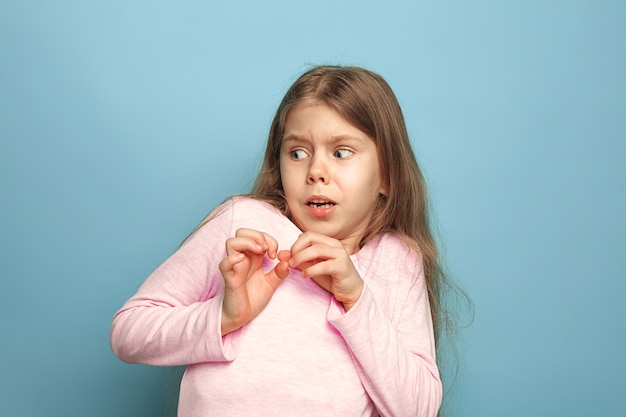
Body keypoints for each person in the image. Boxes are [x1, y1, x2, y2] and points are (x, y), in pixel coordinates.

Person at [111, 65, 447, 417]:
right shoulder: (243, 226)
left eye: (342, 152)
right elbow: (128, 332)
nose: (316, 170)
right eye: (298, 153)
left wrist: (356, 299)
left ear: (388, 177)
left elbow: (419, 408)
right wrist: (224, 316)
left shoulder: (396, 262)